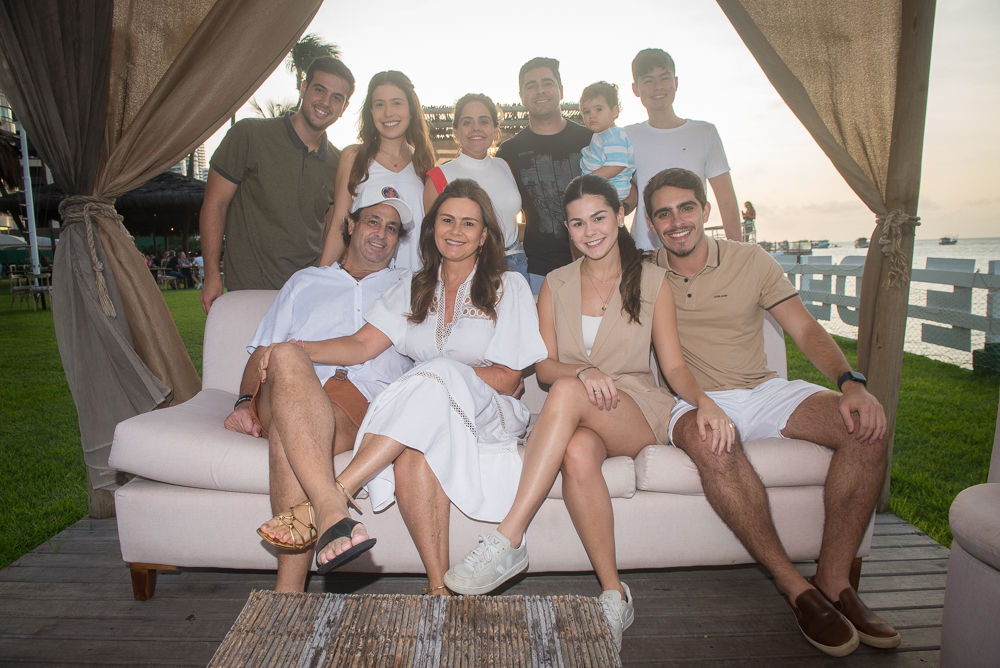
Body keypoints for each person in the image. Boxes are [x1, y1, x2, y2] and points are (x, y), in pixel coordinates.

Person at [443, 174, 733, 649]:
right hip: (582, 411)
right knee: (577, 452)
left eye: (599, 218)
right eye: (577, 223)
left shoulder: (653, 280)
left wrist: (704, 401)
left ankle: (508, 537)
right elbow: (544, 367)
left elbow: (674, 366)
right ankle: (615, 594)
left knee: (566, 393)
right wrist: (583, 370)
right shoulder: (555, 284)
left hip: (636, 408)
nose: (590, 231)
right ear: (567, 229)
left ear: (619, 217)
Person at [644, 167, 898, 657]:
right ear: (652, 225)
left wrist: (851, 383)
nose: (677, 221)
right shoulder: (647, 272)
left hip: (762, 390)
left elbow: (803, 328)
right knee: (715, 448)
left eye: (686, 208)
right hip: (690, 398)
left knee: (863, 428)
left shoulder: (750, 259)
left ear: (705, 210)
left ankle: (834, 579)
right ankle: (794, 586)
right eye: (664, 214)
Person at [262, 179, 547, 595]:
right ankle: (438, 589)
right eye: (447, 220)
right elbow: (361, 345)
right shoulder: (414, 286)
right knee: (414, 454)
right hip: (423, 414)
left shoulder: (509, 287)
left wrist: (438, 376)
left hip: (488, 412)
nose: (456, 230)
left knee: (439, 372)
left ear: (484, 235)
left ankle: (336, 496)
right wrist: (298, 347)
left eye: (469, 223)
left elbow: (507, 378)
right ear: (433, 228)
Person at [227, 186, 414, 592]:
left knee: (290, 434)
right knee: (287, 354)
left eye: (392, 228)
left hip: (356, 398)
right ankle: (330, 507)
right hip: (284, 384)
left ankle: (288, 593)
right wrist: (243, 402)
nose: (382, 234)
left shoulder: (409, 286)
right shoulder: (305, 281)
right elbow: (261, 352)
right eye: (373, 221)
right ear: (351, 224)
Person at [199, 56, 356, 313]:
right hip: (249, 290)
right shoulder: (249, 135)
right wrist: (212, 274)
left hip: (306, 295)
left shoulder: (339, 163)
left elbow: (332, 229)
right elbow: (215, 205)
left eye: (336, 98)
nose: (326, 103)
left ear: (344, 106)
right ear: (304, 88)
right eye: (319, 90)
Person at [625, 48, 741, 249]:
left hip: (692, 252)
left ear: (676, 82)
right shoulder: (625, 136)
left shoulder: (704, 133)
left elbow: (727, 201)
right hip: (642, 252)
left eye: (664, 78)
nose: (658, 86)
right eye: (648, 81)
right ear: (635, 89)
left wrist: (737, 254)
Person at [320, 71, 435, 271]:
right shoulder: (353, 156)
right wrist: (320, 275)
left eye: (397, 103)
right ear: (371, 111)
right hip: (364, 278)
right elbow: (339, 225)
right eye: (380, 104)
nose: (388, 113)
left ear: (411, 110)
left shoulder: (424, 162)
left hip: (415, 279)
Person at [496, 57, 593, 294]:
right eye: (531, 85)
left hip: (596, 264)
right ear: (521, 96)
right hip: (539, 271)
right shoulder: (508, 152)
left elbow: (626, 191)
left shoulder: (591, 140)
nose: (540, 90)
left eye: (547, 83)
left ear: (561, 90)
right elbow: (499, 213)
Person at [423, 94, 528, 283]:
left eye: (484, 121)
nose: (476, 128)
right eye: (467, 122)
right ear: (455, 131)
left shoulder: (504, 165)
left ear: (495, 129)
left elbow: (508, 222)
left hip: (516, 265)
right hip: (470, 268)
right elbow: (434, 238)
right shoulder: (439, 176)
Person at [578, 82, 635, 201]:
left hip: (611, 189)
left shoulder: (613, 136)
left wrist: (590, 179)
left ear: (614, 111)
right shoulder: (602, 135)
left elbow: (616, 165)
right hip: (603, 189)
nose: (592, 115)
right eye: (586, 112)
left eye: (598, 109)